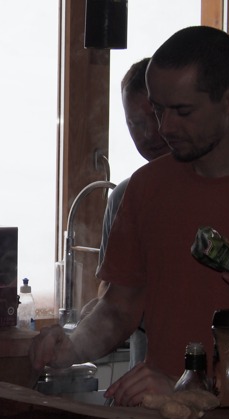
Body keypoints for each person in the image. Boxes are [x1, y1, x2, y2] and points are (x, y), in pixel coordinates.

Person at [30, 26, 229, 407]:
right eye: (158, 109)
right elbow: (118, 309)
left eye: (183, 111)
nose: (164, 128)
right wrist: (71, 345)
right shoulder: (146, 188)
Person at [90, 57, 170, 368]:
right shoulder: (125, 196)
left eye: (155, 117)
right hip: (144, 376)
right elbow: (110, 288)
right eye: (135, 123)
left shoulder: (213, 189)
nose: (148, 134)